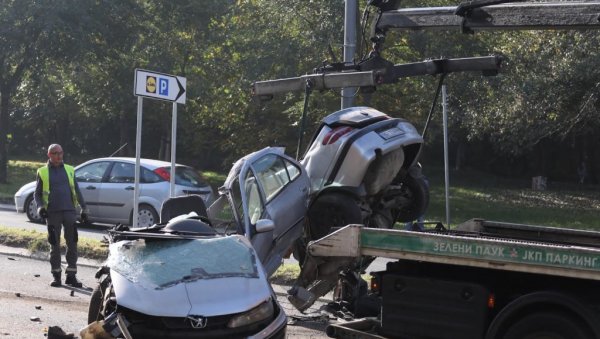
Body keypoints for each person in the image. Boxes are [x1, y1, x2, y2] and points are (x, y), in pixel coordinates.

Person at [34, 144, 88, 287]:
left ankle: (71, 276)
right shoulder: (43, 172)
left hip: (70, 212)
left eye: (60, 153)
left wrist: (84, 208)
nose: (58, 156)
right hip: (52, 213)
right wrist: (40, 207)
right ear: (49, 155)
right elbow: (37, 194)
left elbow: (76, 189)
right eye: (55, 153)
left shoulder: (70, 170)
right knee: (55, 245)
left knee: (72, 244)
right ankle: (56, 276)